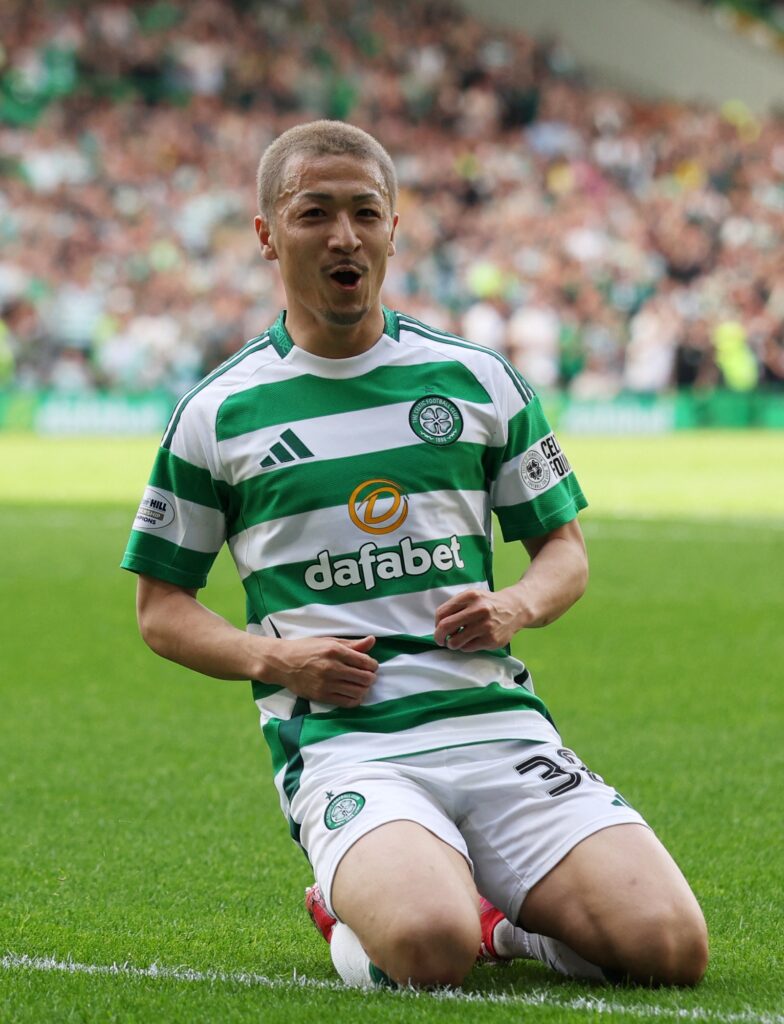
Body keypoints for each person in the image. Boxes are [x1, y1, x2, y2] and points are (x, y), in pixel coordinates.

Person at [121, 120, 708, 990]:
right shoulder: (218, 412)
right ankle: (355, 900)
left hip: (496, 727)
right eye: (315, 213)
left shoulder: (476, 380)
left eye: (366, 212)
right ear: (267, 234)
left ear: (394, 229)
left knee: (669, 950)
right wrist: (274, 659)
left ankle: (503, 931)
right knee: (431, 948)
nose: (344, 235)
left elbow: (564, 552)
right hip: (347, 745)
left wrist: (515, 604)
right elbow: (161, 608)